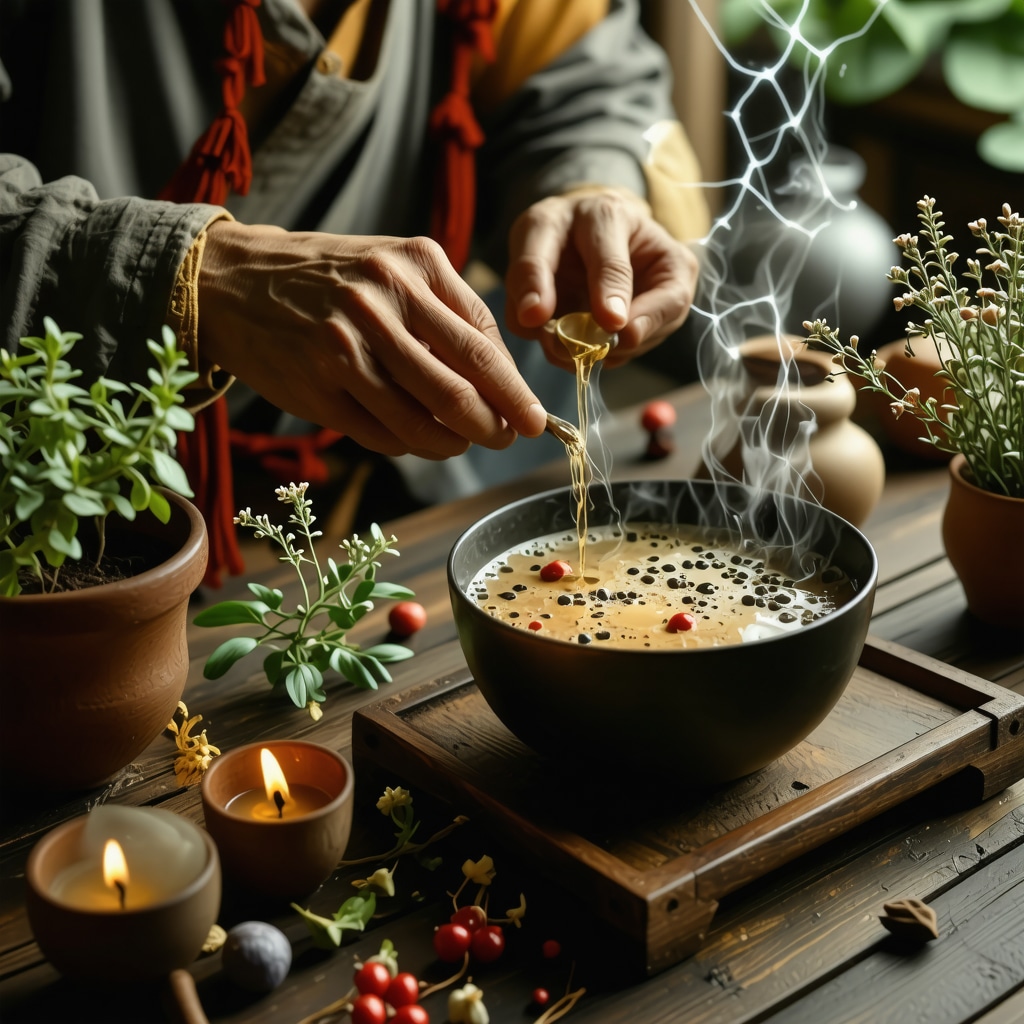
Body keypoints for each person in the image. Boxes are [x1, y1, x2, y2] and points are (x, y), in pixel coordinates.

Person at [0, 0, 710, 584]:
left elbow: (589, 81)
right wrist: (191, 274)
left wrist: (588, 183)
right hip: (55, 553)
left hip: (374, 522)